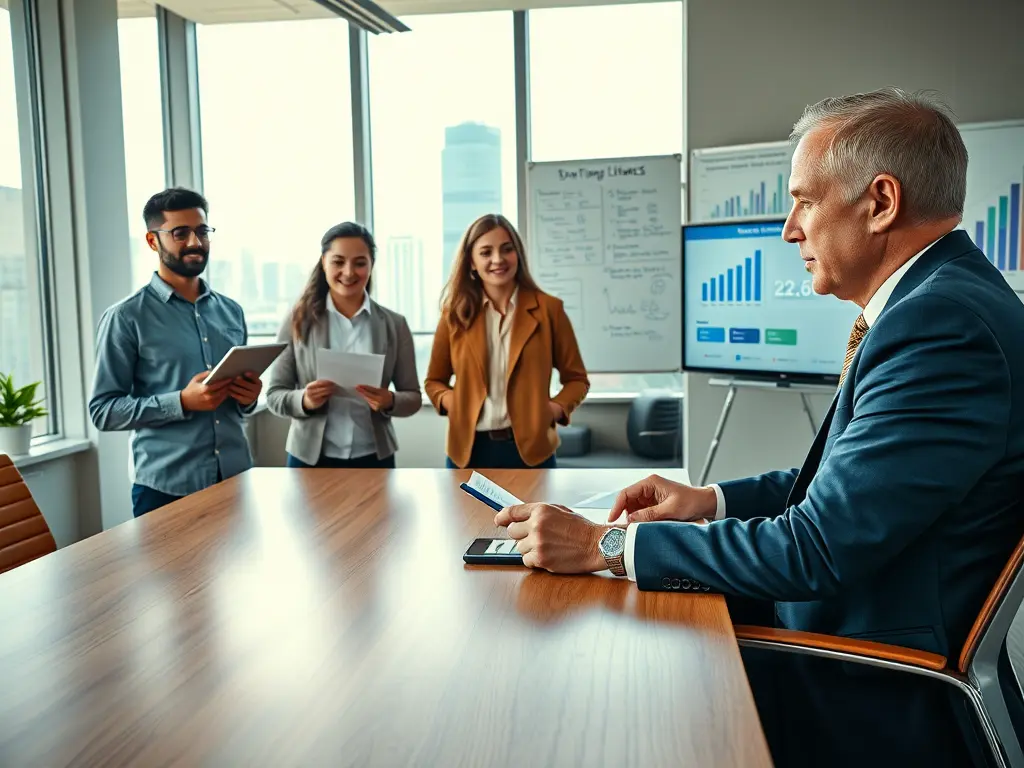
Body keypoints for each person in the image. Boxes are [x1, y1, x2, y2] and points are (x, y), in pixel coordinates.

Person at [493, 88, 1024, 767]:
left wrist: (607, 545)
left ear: (881, 202)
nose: (788, 229)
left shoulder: (942, 328)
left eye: (804, 199)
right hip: (852, 628)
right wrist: (708, 502)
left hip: (867, 678)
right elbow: (841, 487)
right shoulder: (943, 303)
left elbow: (816, 549)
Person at [89, 187, 262, 517]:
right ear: (153, 241)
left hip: (236, 480)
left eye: (202, 231)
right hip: (165, 491)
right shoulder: (126, 317)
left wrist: (249, 396)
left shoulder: (231, 312)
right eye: (180, 233)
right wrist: (181, 401)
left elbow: (240, 405)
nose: (195, 242)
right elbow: (104, 411)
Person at [425, 214, 589, 469]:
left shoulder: (549, 310)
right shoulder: (454, 314)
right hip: (468, 451)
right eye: (486, 252)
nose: (498, 259)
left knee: (536, 511)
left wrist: (554, 408)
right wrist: (453, 402)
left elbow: (577, 379)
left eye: (506, 249)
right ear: (472, 262)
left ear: (518, 255)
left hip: (531, 452)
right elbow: (434, 381)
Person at [265, 222, 421, 469]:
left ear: (371, 265)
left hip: (374, 457)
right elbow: (274, 395)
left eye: (360, 263)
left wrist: (389, 400)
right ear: (323, 262)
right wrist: (304, 400)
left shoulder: (394, 325)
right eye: (338, 262)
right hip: (309, 459)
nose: (348, 272)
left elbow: (413, 397)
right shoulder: (297, 320)